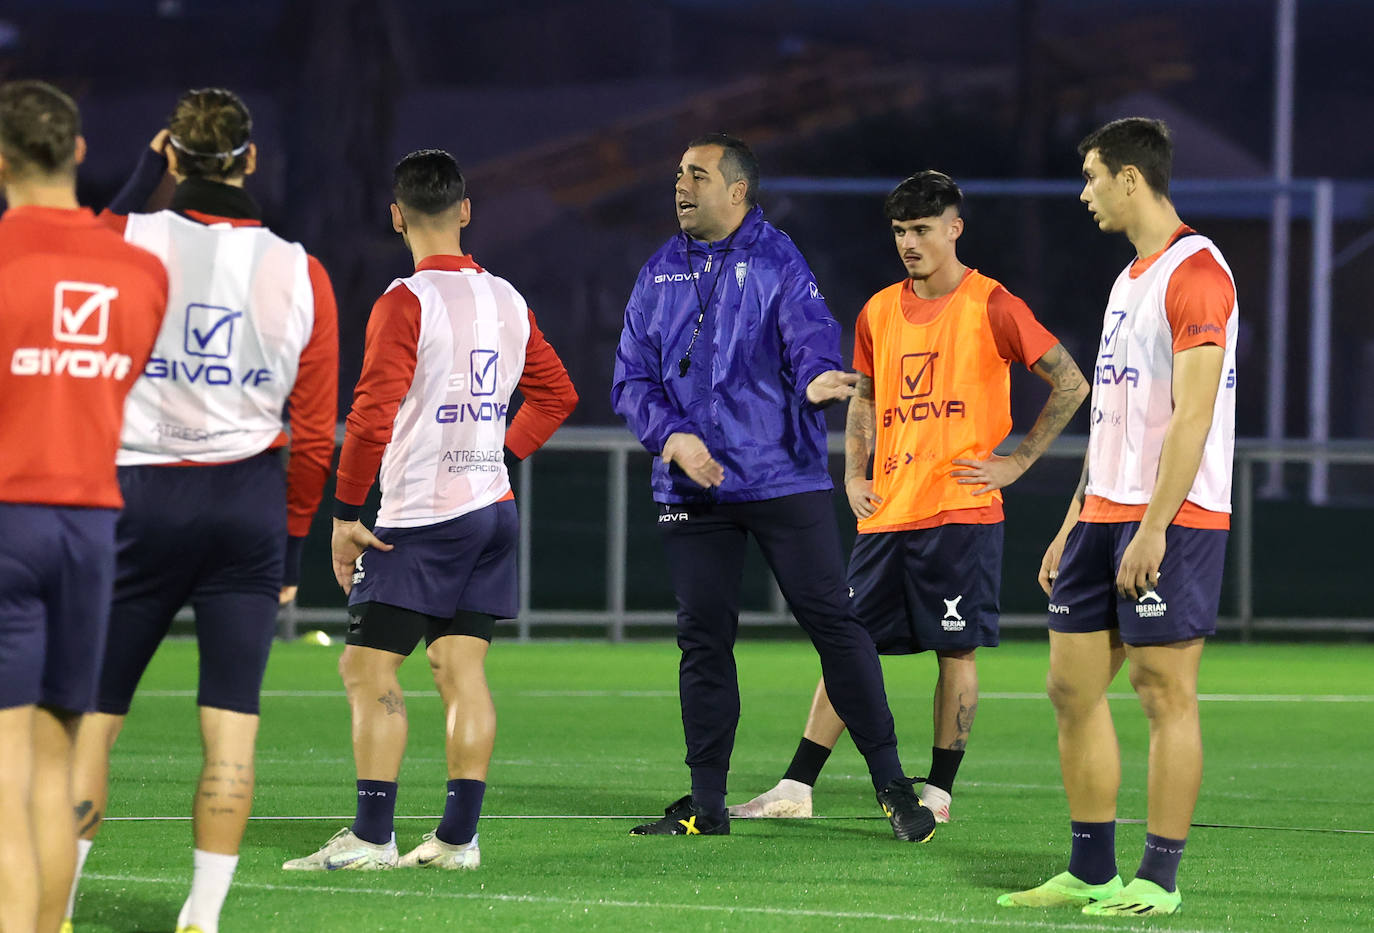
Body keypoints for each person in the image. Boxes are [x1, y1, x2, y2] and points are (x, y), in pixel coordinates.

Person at [731, 171, 1087, 823]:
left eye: (922, 229)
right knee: (848, 644)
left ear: (954, 228)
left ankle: (939, 791)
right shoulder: (877, 310)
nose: (909, 243)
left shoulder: (993, 304)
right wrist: (854, 474)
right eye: (900, 231)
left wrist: (1017, 462)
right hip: (888, 512)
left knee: (956, 649)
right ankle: (797, 788)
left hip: (960, 512)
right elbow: (867, 396)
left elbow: (1069, 382)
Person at [64, 88, 339, 933]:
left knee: (93, 723)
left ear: (173, 157)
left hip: (137, 500)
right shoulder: (303, 271)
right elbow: (316, 433)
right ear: (251, 160)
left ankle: (59, 906)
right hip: (245, 506)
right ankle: (203, 917)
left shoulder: (130, 237)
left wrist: (142, 176)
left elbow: (72, 245)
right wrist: (291, 550)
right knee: (230, 728)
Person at [611, 133, 936, 843]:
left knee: (834, 625)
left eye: (696, 174)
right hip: (691, 490)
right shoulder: (658, 271)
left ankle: (893, 786)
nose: (680, 185)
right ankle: (707, 804)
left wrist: (819, 376)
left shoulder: (777, 259)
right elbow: (631, 379)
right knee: (703, 640)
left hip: (781, 476)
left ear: (737, 191)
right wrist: (672, 437)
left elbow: (810, 336)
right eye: (677, 174)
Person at [284, 149, 577, 872]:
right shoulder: (508, 299)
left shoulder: (404, 301)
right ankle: (456, 839)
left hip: (421, 517)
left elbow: (373, 410)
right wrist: (497, 455)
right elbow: (558, 395)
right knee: (459, 669)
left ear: (397, 216)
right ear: (466, 210)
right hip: (489, 510)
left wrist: (345, 511)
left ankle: (372, 836)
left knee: (367, 669)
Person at [998, 117, 1237, 917]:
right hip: (1104, 513)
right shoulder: (1129, 278)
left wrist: (1156, 524)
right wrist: (1075, 517)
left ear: (1132, 179)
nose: (1085, 192)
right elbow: (1114, 417)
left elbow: (1193, 415)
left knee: (1161, 687)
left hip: (1175, 516)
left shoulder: (1198, 272)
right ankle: (1091, 868)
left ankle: (1159, 878)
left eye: (1094, 176)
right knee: (1070, 686)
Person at [0, 80, 168, 933]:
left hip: (8, 517)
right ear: (75, 151)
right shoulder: (140, 273)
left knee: (3, 778)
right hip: (92, 527)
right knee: (57, 768)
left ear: (0, 160)